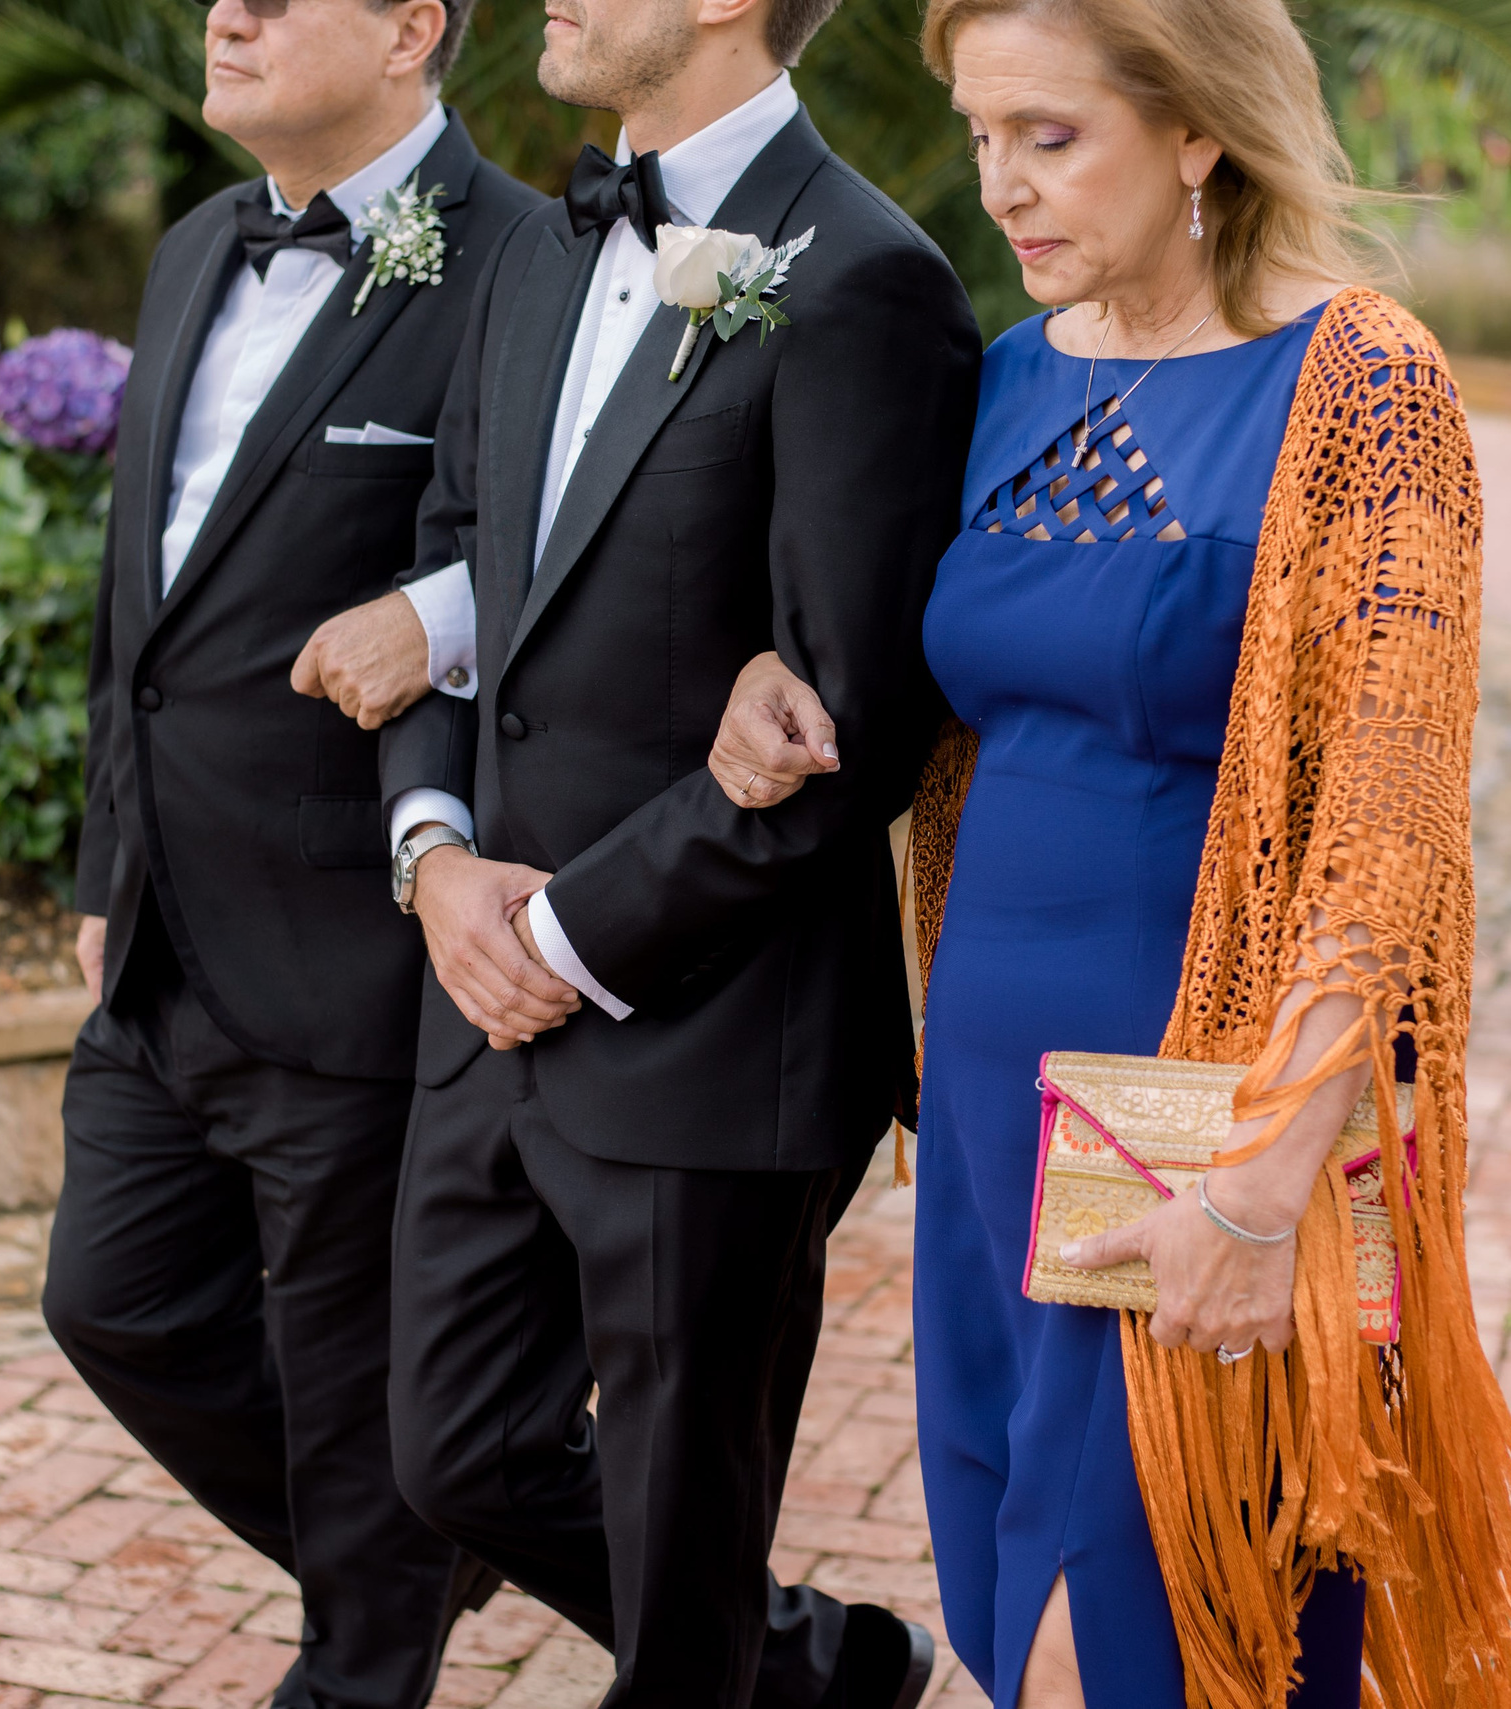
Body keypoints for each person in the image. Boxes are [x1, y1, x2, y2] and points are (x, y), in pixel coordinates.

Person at [703, 0, 1511, 1702]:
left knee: (1131, 1633)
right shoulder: (1014, 376)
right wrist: (767, 680)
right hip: (984, 1103)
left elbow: (1384, 832)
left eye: (1052, 137)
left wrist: (1262, 1187)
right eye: (981, 138)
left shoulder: (1364, 387)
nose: (1004, 189)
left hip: (1192, 1119)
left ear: (1197, 133)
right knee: (1006, 1590)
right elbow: (914, 682)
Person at [298, 0, 978, 1696]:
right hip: (485, 991)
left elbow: (850, 733)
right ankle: (817, 1673)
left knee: (680, 1563)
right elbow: (461, 570)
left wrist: (570, 936)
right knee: (452, 1448)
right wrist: (436, 852)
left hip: (713, 1034)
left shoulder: (865, 280)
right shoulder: (542, 252)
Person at [43, 0, 542, 1702]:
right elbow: (146, 617)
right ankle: (458, 1530)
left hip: (366, 936)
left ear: (414, 28)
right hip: (167, 932)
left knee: (352, 1388)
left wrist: (440, 610)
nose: (225, 15)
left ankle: (367, 1641)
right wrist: (108, 868)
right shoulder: (195, 247)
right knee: (110, 1303)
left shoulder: (528, 265)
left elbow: (577, 550)